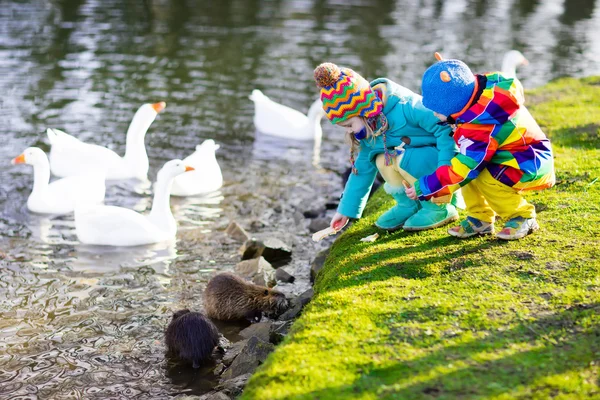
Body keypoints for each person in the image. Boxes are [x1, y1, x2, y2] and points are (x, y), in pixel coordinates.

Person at [405, 53, 555, 240]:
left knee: (481, 176)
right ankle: (480, 218)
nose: (434, 114)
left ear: (454, 105)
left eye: (437, 110)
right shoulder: (480, 98)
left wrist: (427, 186)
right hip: (512, 156)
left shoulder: (479, 126)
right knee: (472, 172)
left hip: (529, 162)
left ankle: (522, 215)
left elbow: (464, 167)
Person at [313, 62, 460, 232]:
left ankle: (439, 207)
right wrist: (345, 211)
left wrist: (445, 170)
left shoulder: (406, 106)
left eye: (349, 125)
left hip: (441, 169)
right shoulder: (371, 127)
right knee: (381, 159)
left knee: (406, 159)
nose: (350, 131)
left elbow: (446, 129)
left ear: (363, 110)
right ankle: (409, 205)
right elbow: (362, 169)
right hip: (422, 169)